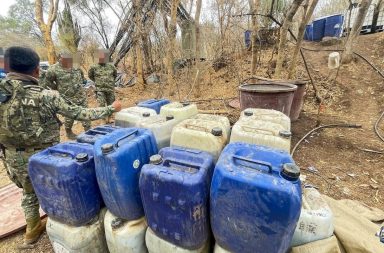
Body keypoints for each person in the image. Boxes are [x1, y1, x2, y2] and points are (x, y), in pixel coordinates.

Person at [0, 46, 122, 247]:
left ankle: (32, 230)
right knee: (55, 187)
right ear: (37, 70)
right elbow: (80, 113)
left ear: (6, 66)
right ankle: (61, 220)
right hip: (48, 156)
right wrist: (111, 108)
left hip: (13, 157)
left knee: (29, 193)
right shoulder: (47, 96)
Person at [46, 53, 91, 139]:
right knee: (69, 118)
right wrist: (58, 89)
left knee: (86, 115)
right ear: (60, 59)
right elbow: (48, 82)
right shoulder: (53, 69)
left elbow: (82, 78)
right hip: (67, 99)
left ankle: (89, 132)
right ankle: (69, 132)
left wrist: (82, 83)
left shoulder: (76, 66)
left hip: (81, 96)